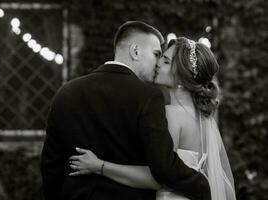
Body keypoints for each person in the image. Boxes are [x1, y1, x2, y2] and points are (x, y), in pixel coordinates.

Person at [41, 21, 210, 200]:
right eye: (156, 54)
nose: (158, 63)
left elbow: (51, 165)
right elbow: (163, 167)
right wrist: (200, 183)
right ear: (135, 51)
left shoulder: (67, 91)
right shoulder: (148, 96)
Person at [68, 37, 236, 200]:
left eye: (166, 61)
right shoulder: (207, 121)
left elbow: (157, 178)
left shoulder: (171, 115)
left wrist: (99, 166)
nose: (157, 64)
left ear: (182, 77)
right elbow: (224, 182)